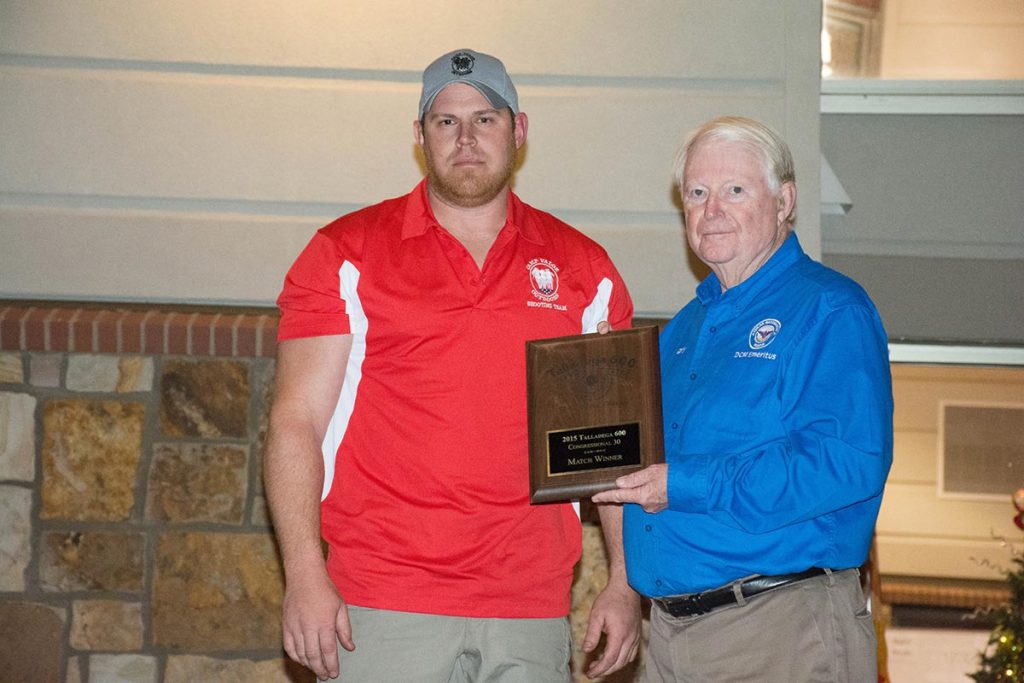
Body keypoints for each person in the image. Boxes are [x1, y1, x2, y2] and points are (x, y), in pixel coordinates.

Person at [264, 48, 641, 682]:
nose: (466, 138)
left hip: (530, 606)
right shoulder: (344, 253)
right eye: (445, 121)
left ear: (518, 131)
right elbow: (294, 423)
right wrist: (304, 574)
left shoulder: (584, 270)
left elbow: (611, 450)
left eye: (486, 118)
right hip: (382, 602)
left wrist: (626, 583)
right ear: (420, 137)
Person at [593, 116, 893, 682]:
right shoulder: (681, 332)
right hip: (670, 636)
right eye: (697, 193)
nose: (712, 210)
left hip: (780, 631)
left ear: (785, 200)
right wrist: (598, 391)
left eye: (735, 190)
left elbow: (845, 463)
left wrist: (684, 484)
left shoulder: (830, 310)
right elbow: (633, 462)